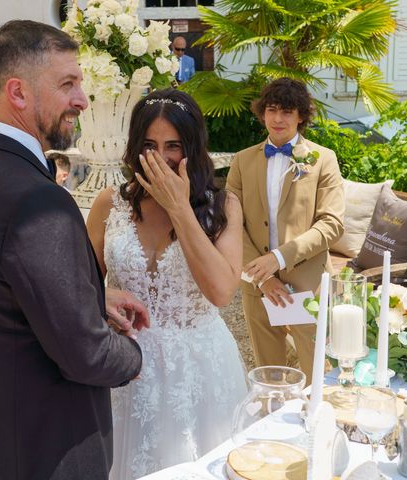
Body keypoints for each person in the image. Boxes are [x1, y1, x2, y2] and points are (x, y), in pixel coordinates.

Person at [0, 20, 146, 480]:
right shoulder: (37, 197)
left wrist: (91, 297)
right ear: (18, 93)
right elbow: (86, 355)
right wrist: (139, 355)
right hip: (45, 453)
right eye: (67, 84)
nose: (82, 100)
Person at [87, 89, 248, 479]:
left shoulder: (223, 206)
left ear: (192, 147)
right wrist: (102, 296)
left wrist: (179, 207)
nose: (160, 157)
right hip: (128, 370)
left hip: (202, 370)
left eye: (173, 145)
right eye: (149, 145)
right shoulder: (110, 204)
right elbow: (81, 287)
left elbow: (222, 292)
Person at [227, 78, 344, 384]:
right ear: (262, 113)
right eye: (272, 109)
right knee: (268, 377)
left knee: (315, 375)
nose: (278, 119)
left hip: (307, 284)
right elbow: (230, 222)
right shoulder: (242, 160)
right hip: (257, 287)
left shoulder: (323, 159)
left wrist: (278, 259)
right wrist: (263, 277)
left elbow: (331, 224)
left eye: (287, 111)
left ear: (301, 116)